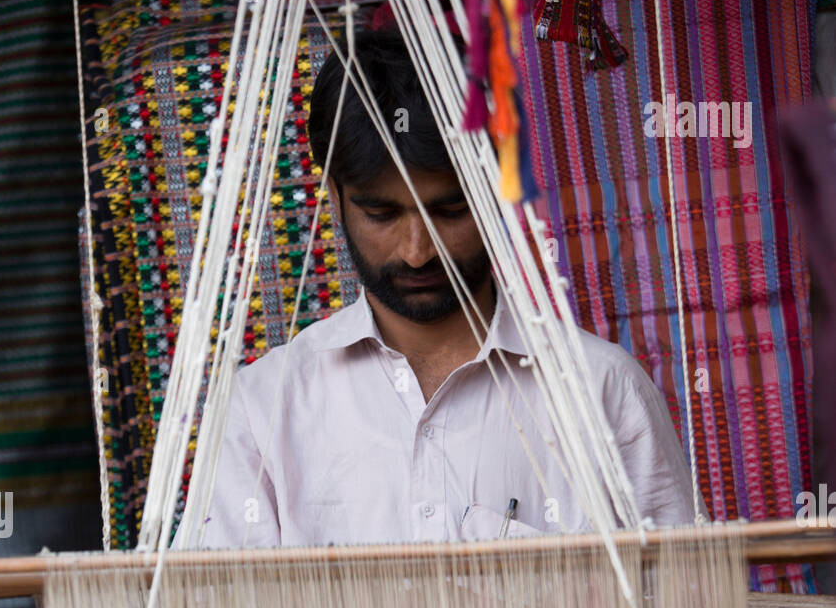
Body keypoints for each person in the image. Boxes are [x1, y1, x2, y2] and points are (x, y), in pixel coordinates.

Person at [189, 27, 697, 550]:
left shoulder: (602, 391)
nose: (417, 251)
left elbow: (681, 607)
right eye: (381, 213)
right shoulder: (264, 407)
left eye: (450, 210)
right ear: (334, 196)